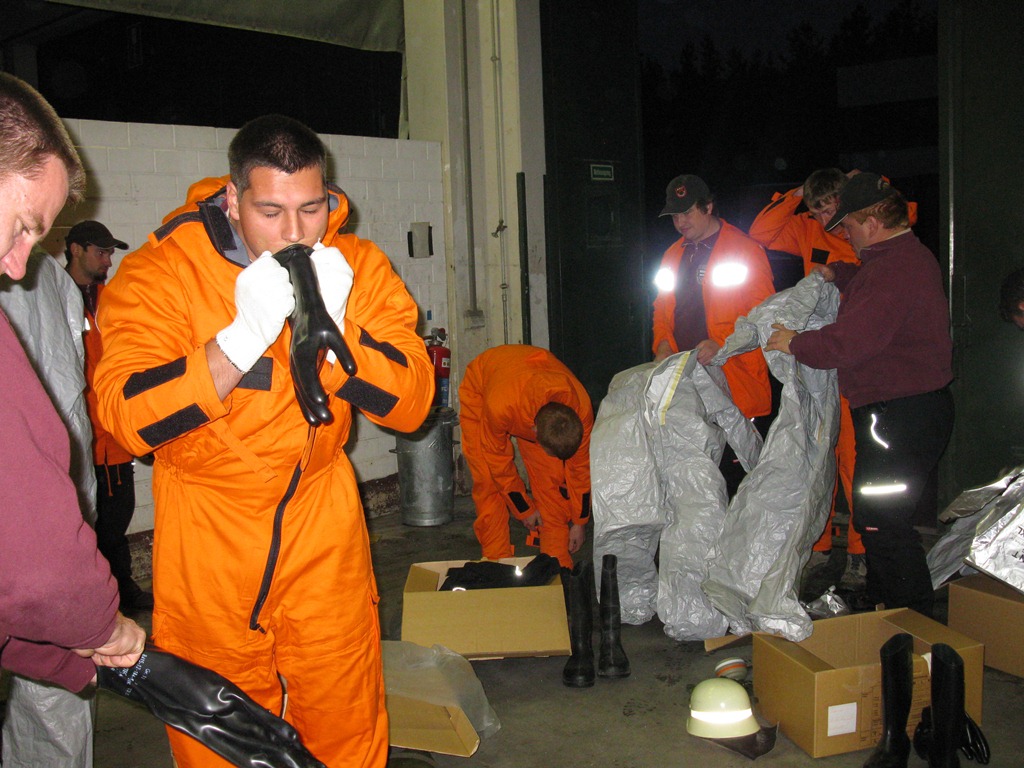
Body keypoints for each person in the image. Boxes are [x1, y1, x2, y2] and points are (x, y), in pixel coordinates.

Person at [92, 113, 434, 767]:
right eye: (271, 211)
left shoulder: (355, 266)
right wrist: (239, 340)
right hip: (210, 533)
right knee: (219, 734)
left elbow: (413, 404)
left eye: (312, 208)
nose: (295, 233)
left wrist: (338, 333)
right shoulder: (163, 273)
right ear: (232, 198)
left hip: (323, 524)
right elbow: (125, 419)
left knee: (346, 720)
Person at [0, 72, 146, 691]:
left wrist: (63, 662)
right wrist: (97, 626)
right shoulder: (54, 297)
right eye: (23, 225)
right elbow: (30, 552)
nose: (16, 266)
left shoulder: (100, 301)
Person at [766, 172, 953, 617]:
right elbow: (870, 291)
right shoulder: (896, 258)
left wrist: (795, 342)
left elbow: (850, 342)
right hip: (903, 413)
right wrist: (841, 273)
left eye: (847, 225)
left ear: (871, 222)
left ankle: (913, 621)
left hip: (899, 416)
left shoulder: (893, 268)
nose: (844, 235)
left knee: (884, 522)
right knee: (876, 519)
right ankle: (887, 607)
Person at [749, 168, 867, 589]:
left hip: (853, 360)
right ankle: (819, 546)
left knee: (853, 460)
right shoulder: (805, 229)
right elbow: (762, 232)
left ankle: (860, 553)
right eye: (817, 210)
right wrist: (799, 193)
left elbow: (903, 211)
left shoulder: (864, 230)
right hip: (814, 360)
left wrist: (863, 185)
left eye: (830, 208)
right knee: (817, 457)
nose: (824, 218)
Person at [652, 174, 775, 494]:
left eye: (686, 213)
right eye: (674, 216)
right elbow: (662, 308)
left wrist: (723, 343)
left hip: (736, 386)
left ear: (708, 207)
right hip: (688, 385)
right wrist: (662, 343)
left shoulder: (745, 250)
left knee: (737, 482)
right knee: (698, 481)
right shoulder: (671, 255)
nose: (680, 223)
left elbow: (766, 316)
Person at [64, 219, 153, 614]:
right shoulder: (54, 297)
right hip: (79, 439)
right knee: (85, 528)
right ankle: (100, 601)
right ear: (75, 249)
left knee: (117, 519)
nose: (108, 260)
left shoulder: (110, 299)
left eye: (110, 253)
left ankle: (121, 593)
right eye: (101, 252)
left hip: (114, 436)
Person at [459, 344, 593, 568]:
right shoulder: (500, 407)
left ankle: (556, 561)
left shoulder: (582, 410)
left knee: (551, 478)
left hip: (526, 382)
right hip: (484, 385)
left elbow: (581, 470)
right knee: (488, 479)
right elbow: (498, 464)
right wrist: (523, 509)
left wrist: (580, 522)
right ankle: (497, 561)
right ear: (534, 432)